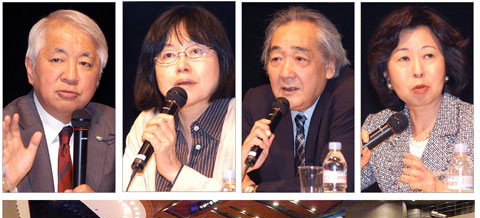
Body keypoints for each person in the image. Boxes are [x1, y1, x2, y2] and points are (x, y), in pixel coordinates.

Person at [242, 6, 354, 192]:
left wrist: (253, 190)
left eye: (300, 59)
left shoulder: (349, 95)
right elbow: (229, 174)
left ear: (330, 66)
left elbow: (333, 182)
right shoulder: (257, 102)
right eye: (276, 59)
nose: (285, 73)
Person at [361, 6, 473, 192]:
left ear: (447, 65)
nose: (418, 70)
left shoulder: (472, 123)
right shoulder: (379, 127)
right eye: (404, 58)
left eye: (428, 55)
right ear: (386, 75)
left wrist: (442, 191)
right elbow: (338, 187)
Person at [123, 5, 235, 191]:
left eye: (196, 51)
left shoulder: (242, 119)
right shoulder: (148, 122)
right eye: (168, 54)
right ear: (152, 70)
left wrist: (174, 170)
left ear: (222, 60)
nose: (182, 65)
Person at [3, 9, 115, 193]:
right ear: (31, 68)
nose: (71, 77)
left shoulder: (117, 128)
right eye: (57, 59)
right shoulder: (5, 130)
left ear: (99, 77)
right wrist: (5, 186)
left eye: (84, 63)